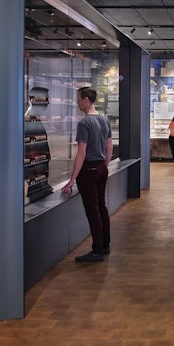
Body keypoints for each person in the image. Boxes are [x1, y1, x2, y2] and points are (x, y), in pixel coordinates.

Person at [62, 86, 113, 263]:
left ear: (85, 100)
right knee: (101, 206)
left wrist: (72, 180)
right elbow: (109, 146)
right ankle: (105, 244)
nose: (77, 102)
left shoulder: (84, 124)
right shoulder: (104, 120)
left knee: (92, 211)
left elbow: (81, 153)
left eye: (78, 99)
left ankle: (97, 250)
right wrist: (104, 165)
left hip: (89, 170)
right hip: (101, 168)